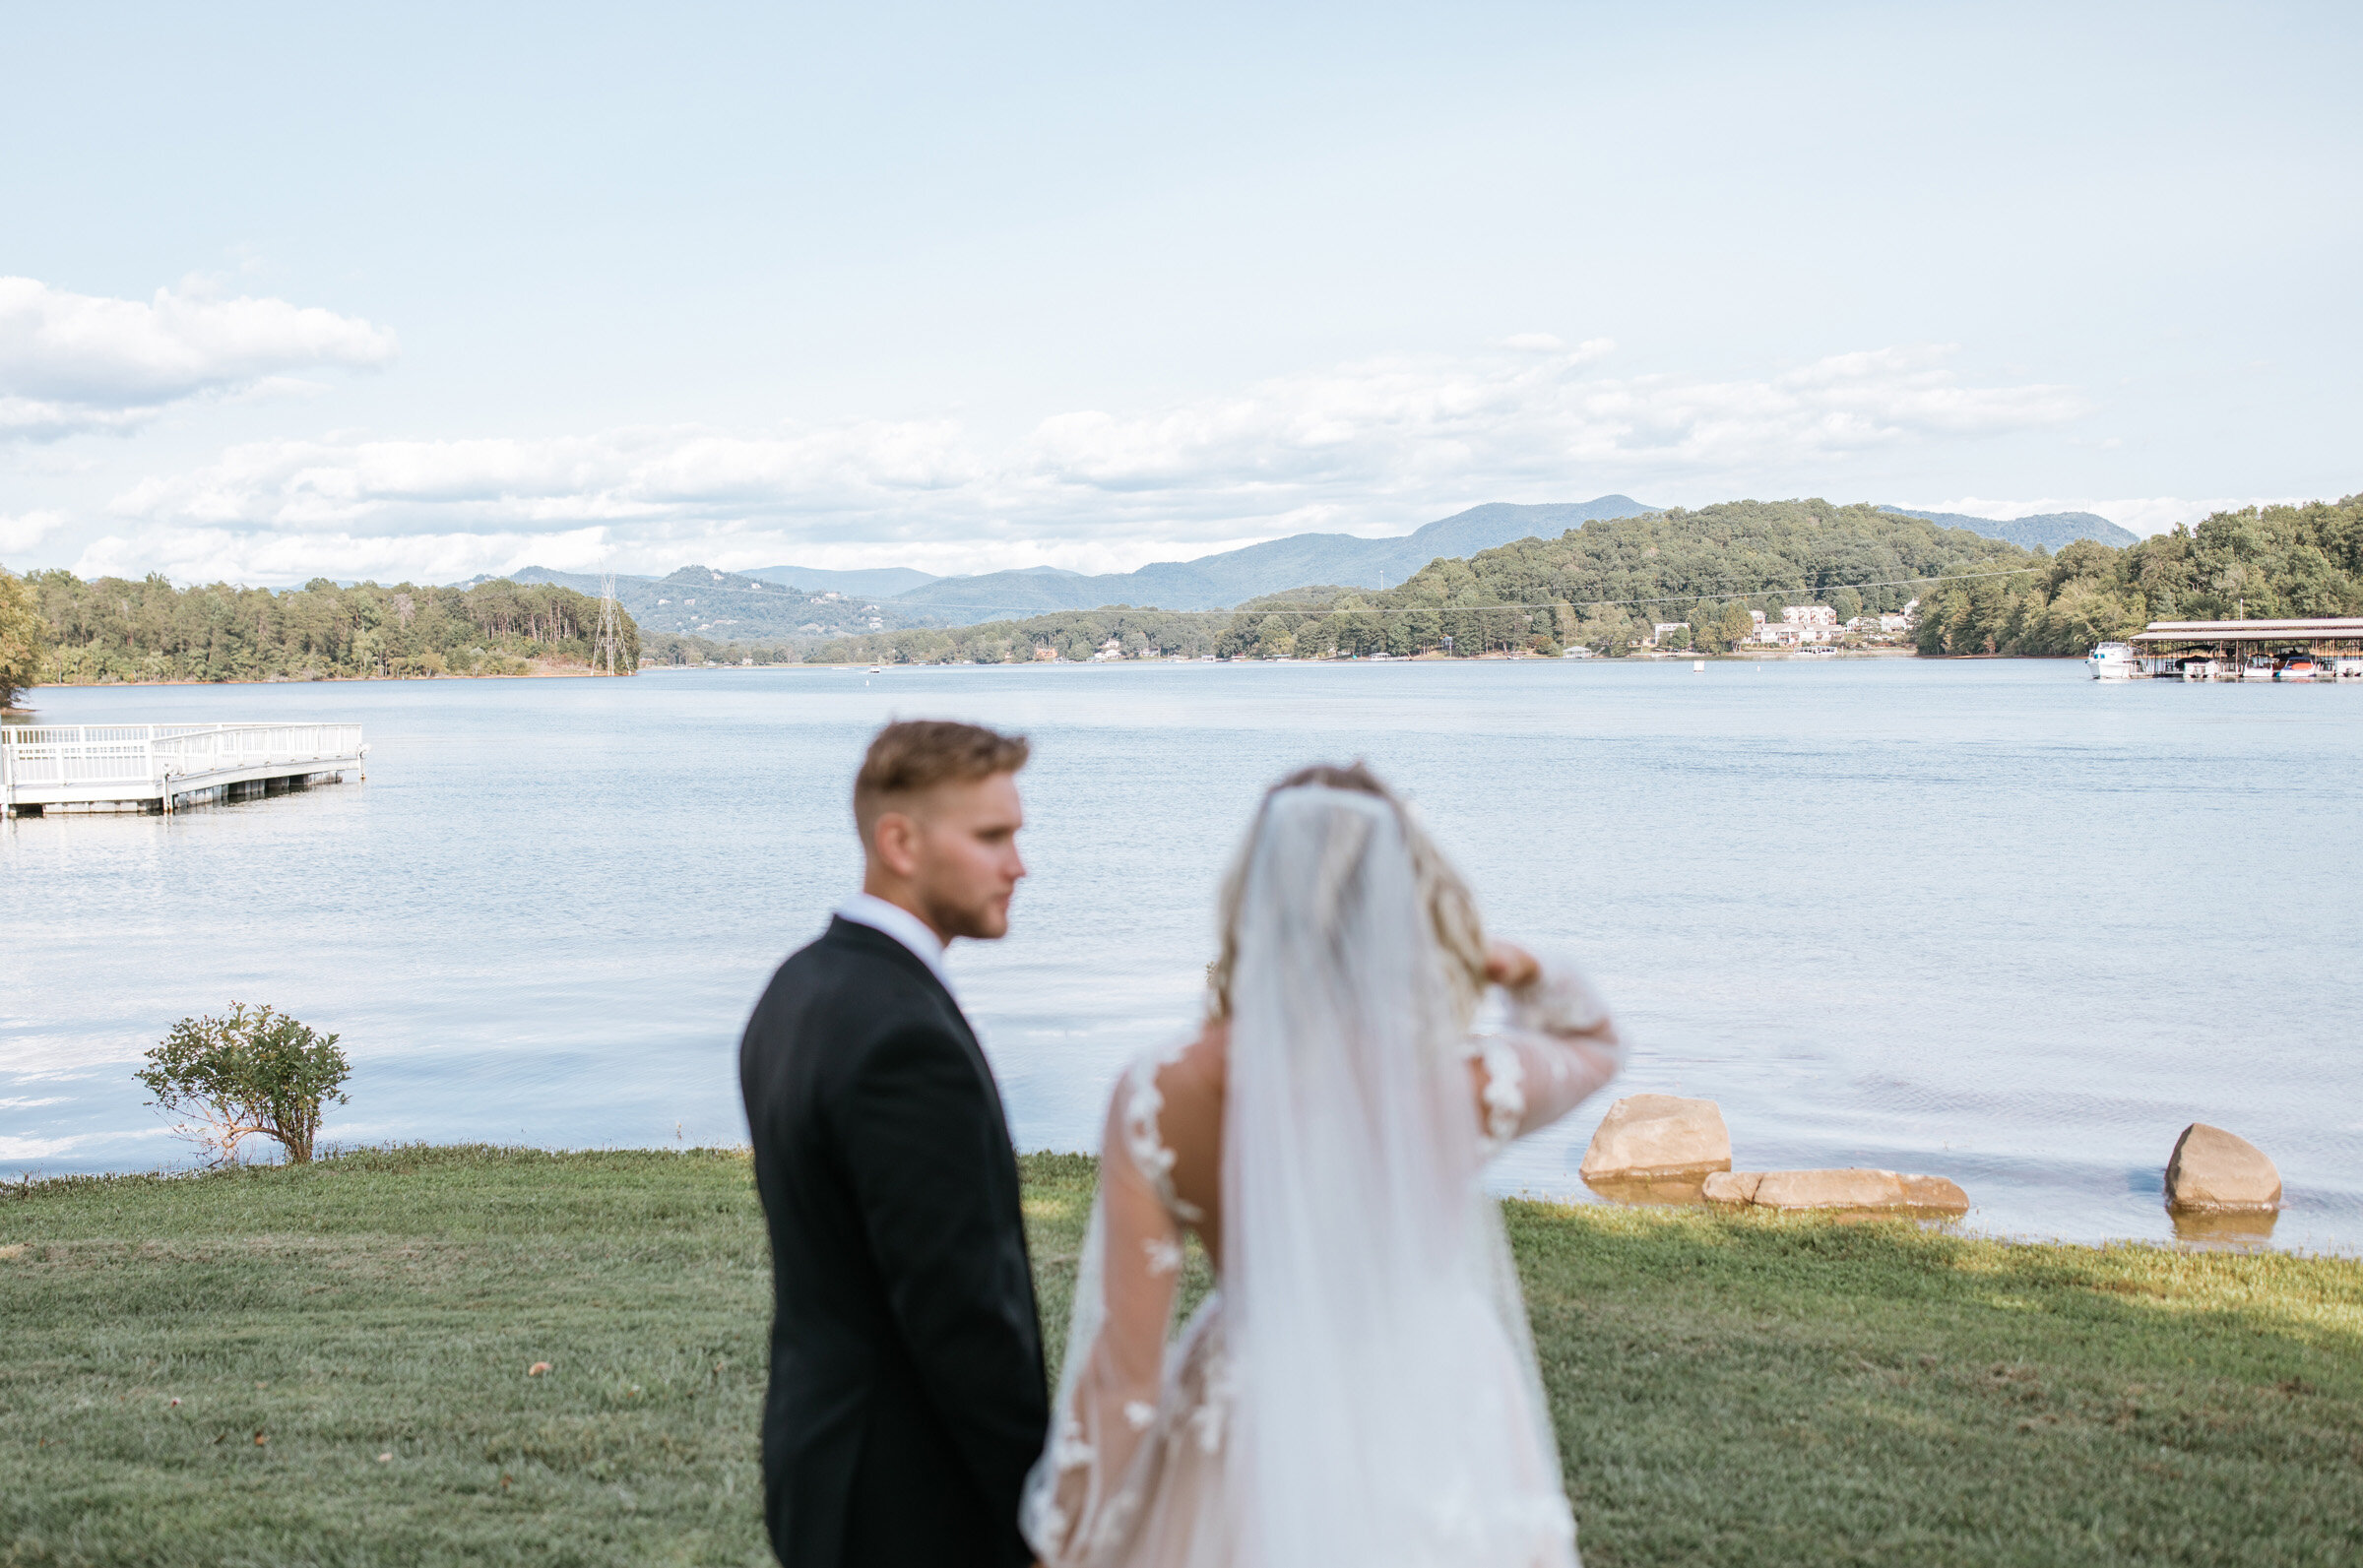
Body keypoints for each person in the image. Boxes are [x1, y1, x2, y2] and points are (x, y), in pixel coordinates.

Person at [1020, 763, 1625, 1568]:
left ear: (1252, 897)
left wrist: (1061, 1546)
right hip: (1436, 1398)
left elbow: (1123, 1377)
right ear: (1404, 901)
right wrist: (1503, 961)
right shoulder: (1462, 1081)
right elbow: (1595, 1041)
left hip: (1248, 1409)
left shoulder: (1160, 1093)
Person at [739, 720, 1049, 1568]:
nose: (1017, 864)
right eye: (992, 836)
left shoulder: (797, 987)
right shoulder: (903, 1038)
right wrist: (1039, 1514)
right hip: (911, 1496)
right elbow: (960, 1308)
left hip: (819, 1457)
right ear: (900, 841)